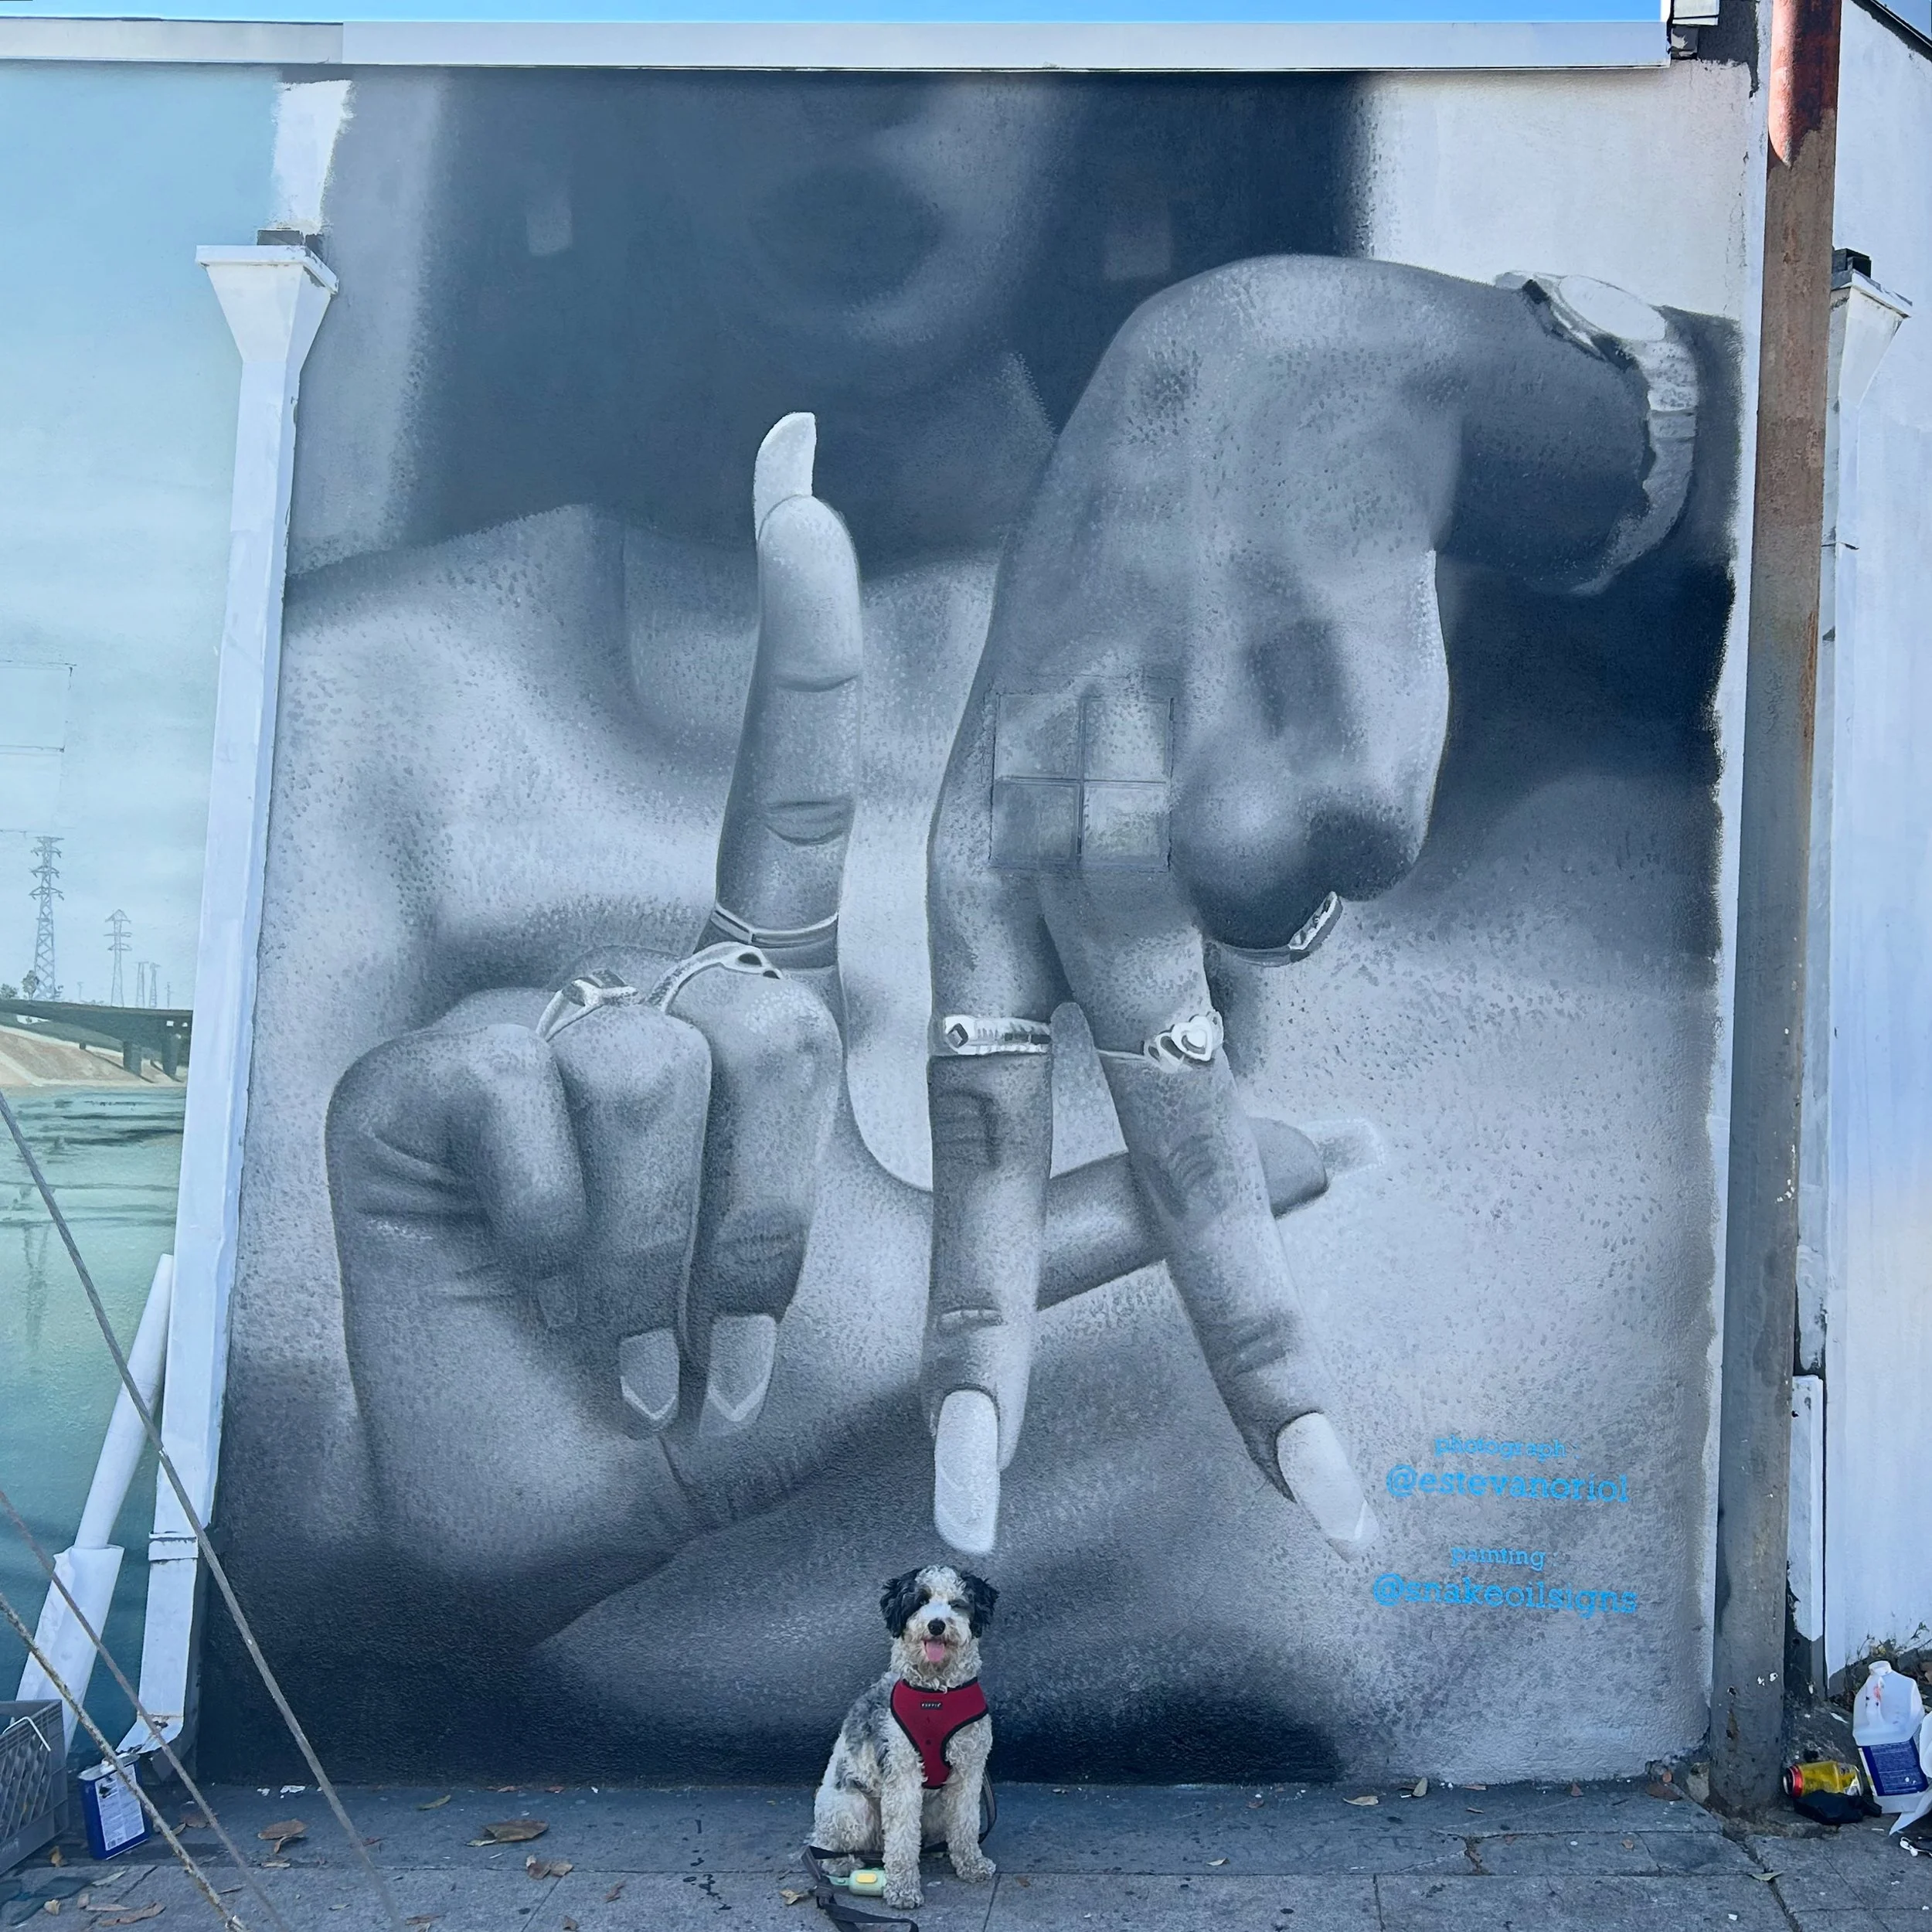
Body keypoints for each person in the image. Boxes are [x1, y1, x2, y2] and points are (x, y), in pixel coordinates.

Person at [257, 72, 1723, 1692]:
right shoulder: (372, 697)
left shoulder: (1363, 637)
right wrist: (410, 1586)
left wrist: (1467, 372)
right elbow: (221, 1531)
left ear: (1119, 116)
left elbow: (1865, 506)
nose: (859, 77)